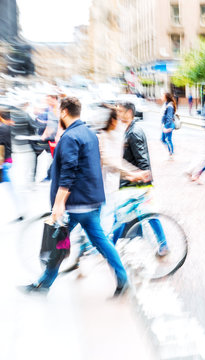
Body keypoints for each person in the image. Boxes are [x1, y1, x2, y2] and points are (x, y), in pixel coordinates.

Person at [19, 97, 128, 296]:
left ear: (64, 112)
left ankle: (43, 284)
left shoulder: (70, 137)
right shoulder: (88, 133)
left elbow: (69, 171)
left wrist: (59, 204)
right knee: (99, 241)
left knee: (58, 244)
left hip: (77, 204)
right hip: (91, 200)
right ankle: (122, 278)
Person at [114, 102, 170, 256]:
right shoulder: (129, 130)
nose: (118, 115)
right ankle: (159, 244)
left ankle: (109, 248)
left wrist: (145, 181)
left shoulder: (134, 132)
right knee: (143, 214)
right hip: (132, 182)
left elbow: (142, 158)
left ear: (130, 112)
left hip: (135, 184)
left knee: (132, 214)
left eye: (121, 111)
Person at [161, 92, 176, 158]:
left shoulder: (170, 106)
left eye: (163, 96)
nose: (161, 97)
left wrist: (167, 128)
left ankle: (171, 153)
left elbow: (169, 117)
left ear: (166, 97)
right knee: (163, 139)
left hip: (168, 125)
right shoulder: (166, 104)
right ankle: (170, 151)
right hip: (166, 124)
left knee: (168, 140)